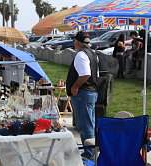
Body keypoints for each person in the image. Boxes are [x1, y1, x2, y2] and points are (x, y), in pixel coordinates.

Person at [66, 31, 99, 159]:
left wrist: (75, 86)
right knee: (90, 123)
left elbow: (86, 74)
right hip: (91, 92)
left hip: (83, 93)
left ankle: (89, 154)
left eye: (75, 41)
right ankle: (91, 151)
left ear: (78, 42)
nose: (74, 43)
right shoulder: (93, 54)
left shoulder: (81, 55)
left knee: (86, 125)